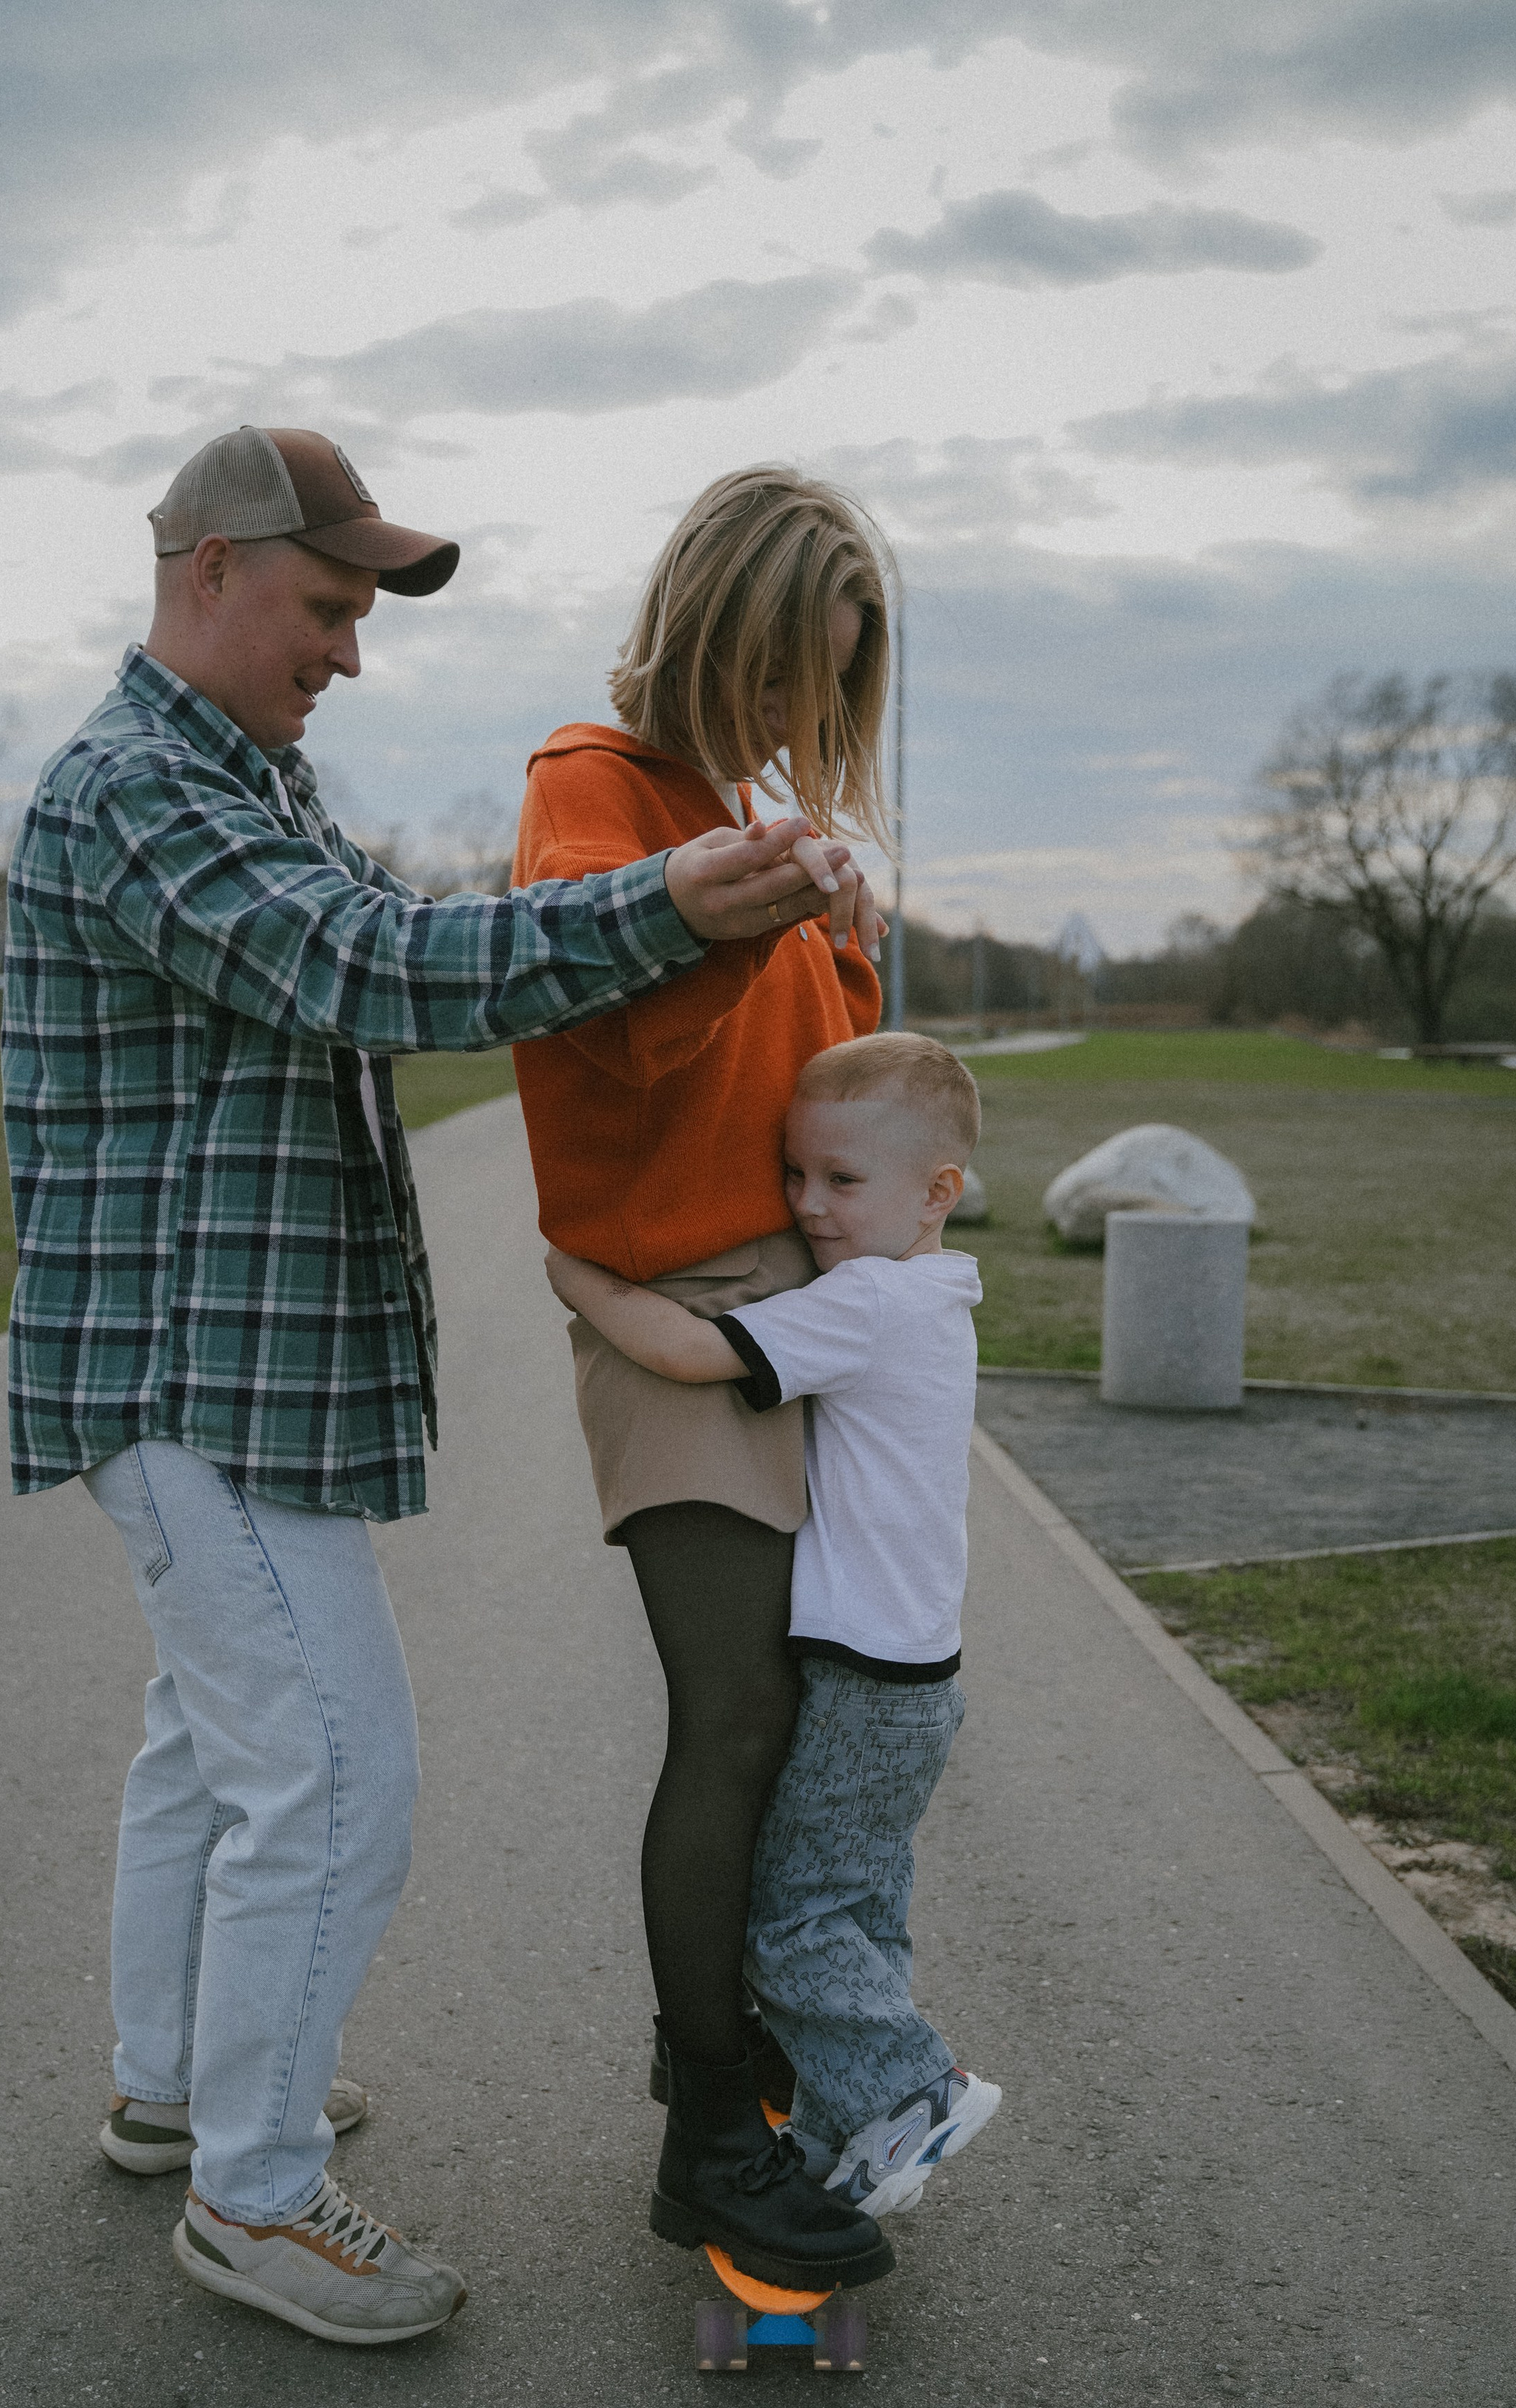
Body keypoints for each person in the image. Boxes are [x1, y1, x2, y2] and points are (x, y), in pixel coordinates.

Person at [2, 423, 856, 2347]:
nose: (349, 651)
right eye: (324, 607)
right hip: (187, 1370)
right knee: (334, 1773)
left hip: (242, 1378)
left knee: (204, 1746)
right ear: (209, 569)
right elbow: (379, 965)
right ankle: (259, 2191)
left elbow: (392, 942)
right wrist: (671, 906)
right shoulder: (143, 789)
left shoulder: (246, 778)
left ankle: (175, 2085)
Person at [512, 465, 901, 2293]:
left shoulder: (740, 811)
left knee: (797, 1718)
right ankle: (704, 2137)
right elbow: (597, 1025)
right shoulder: (589, 782)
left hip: (789, 1317)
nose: (788, 726)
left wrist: (841, 944)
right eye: (770, 679)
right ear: (706, 624)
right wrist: (732, 911)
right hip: (673, 1310)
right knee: (731, 1714)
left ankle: (723, 2075)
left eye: (819, 694)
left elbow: (810, 1088)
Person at [545, 1033, 1003, 2220]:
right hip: (916, 1677)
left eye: (842, 1183)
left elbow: (697, 1351)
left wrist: (582, 1274)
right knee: (856, 1906)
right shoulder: (940, 1291)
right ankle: (853, 2125)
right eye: (798, 1176)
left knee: (790, 1922)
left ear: (937, 1192)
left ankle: (915, 2088)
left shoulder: (865, 1302)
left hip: (860, 1680)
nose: (808, 1206)